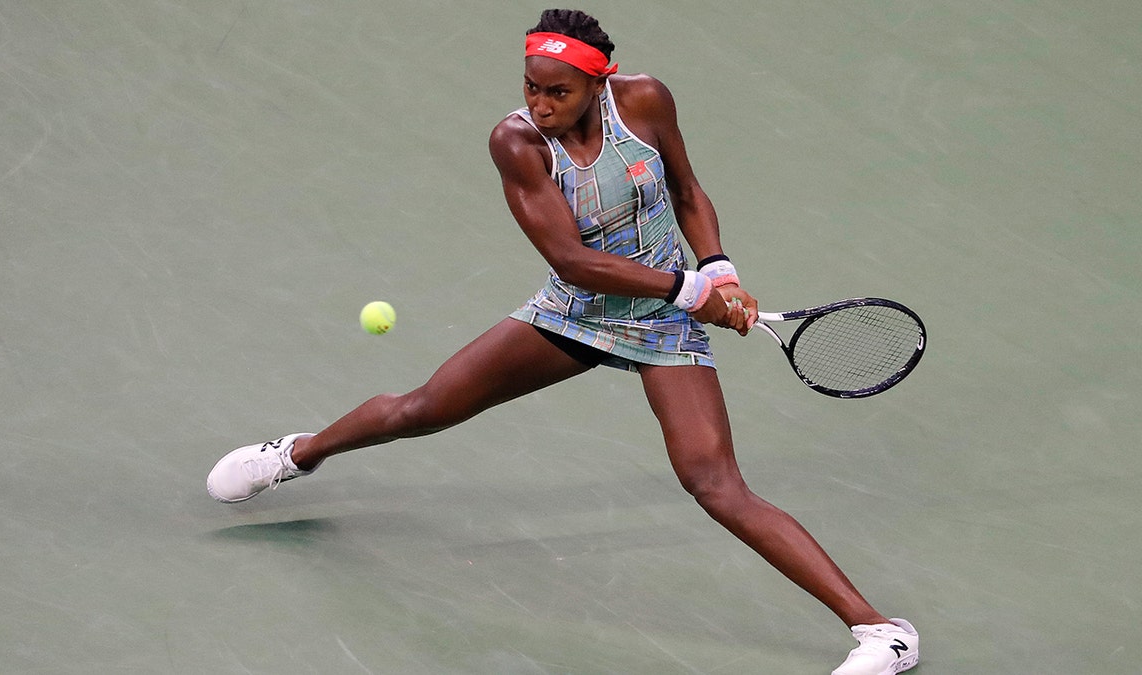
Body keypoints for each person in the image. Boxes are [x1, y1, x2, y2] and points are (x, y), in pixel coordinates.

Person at [206, 9, 919, 674]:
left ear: (597, 83)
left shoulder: (645, 103)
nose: (540, 104)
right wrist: (690, 290)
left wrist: (719, 267)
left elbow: (686, 188)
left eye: (558, 91)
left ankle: (881, 631)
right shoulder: (515, 141)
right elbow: (573, 261)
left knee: (713, 481)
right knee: (422, 408)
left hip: (663, 324)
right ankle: (298, 454)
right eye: (531, 87)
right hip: (575, 311)